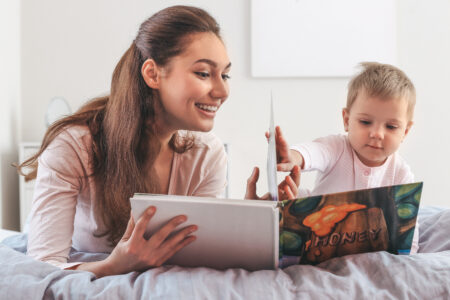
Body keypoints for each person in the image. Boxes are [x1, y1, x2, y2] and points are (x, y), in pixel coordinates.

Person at [17, 6, 300, 278]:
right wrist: (114, 266)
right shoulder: (75, 146)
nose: (223, 90)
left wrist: (245, 226)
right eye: (203, 73)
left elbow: (195, 252)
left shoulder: (207, 155)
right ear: (152, 73)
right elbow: (42, 267)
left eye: (224, 75)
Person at [273, 62, 419, 252]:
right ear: (346, 120)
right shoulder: (337, 148)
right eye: (366, 122)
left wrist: (408, 253)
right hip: (318, 238)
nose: (377, 134)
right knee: (283, 204)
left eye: (391, 127)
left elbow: (408, 233)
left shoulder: (401, 173)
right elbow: (315, 151)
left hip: (365, 249)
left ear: (405, 132)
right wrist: (293, 157)